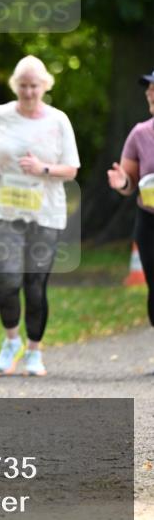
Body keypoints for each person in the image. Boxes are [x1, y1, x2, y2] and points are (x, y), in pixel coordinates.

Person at [0, 55, 80, 377]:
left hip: (45, 213)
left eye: (34, 86)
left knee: (35, 284)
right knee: (7, 281)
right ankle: (11, 342)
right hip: (5, 211)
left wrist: (43, 168)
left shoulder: (58, 120)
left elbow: (72, 169)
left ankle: (34, 351)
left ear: (45, 86)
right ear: (15, 86)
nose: (29, 92)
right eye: (23, 85)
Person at [107, 69, 154, 328]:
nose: (149, 93)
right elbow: (130, 181)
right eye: (148, 89)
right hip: (149, 221)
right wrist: (122, 182)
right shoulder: (140, 134)